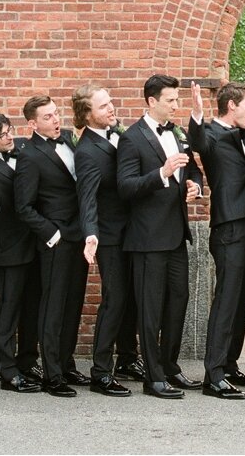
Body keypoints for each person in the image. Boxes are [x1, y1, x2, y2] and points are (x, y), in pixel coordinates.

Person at [117, 74, 204, 399]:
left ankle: (169, 366)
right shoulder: (132, 138)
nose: (175, 105)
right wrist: (162, 174)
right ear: (152, 101)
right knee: (150, 309)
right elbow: (125, 187)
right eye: (171, 100)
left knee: (178, 302)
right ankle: (152, 378)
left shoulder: (179, 133)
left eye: (177, 100)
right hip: (147, 239)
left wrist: (195, 185)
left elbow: (192, 167)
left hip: (176, 235)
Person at [187, 81, 245, 398]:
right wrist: (196, 113)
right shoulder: (212, 136)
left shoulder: (243, 135)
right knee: (226, 301)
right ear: (231, 105)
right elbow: (197, 141)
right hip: (229, 229)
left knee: (242, 301)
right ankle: (213, 375)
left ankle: (229, 366)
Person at [15, 94, 90, 398]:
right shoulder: (29, 155)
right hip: (56, 240)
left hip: (80, 236)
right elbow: (23, 206)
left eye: (57, 114)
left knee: (73, 303)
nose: (56, 120)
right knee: (53, 307)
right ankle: (51, 374)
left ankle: (67, 362)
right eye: (48, 117)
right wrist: (52, 233)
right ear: (32, 124)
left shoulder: (71, 140)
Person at [72, 84, 137, 397]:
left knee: (131, 296)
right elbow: (87, 198)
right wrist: (91, 233)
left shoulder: (118, 135)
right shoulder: (86, 152)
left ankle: (127, 359)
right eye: (103, 107)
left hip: (130, 231)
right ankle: (100, 372)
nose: (111, 108)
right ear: (88, 115)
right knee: (115, 299)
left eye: (110, 102)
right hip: (109, 236)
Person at [0, 112, 41, 393]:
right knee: (8, 307)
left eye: (9, 130)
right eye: (2, 135)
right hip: (7, 247)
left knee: (31, 307)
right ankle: (7, 370)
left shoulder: (22, 150)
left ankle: (27, 361)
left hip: (32, 243)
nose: (10, 136)